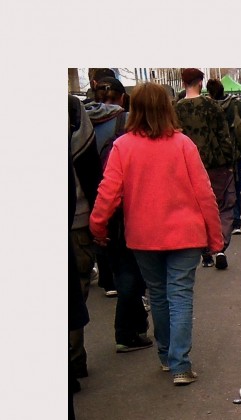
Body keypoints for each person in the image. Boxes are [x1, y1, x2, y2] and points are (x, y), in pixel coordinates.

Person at [89, 82, 224, 387]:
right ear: (168, 108)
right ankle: (180, 364)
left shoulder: (123, 146)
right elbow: (205, 194)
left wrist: (98, 225)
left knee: (158, 295)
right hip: (186, 235)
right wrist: (215, 237)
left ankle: (166, 356)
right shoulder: (183, 144)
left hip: (143, 236)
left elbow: (108, 192)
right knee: (180, 296)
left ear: (134, 109)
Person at [86, 78, 152, 354]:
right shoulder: (124, 126)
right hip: (123, 209)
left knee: (120, 266)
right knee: (130, 273)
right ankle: (127, 332)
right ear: (123, 98)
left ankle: (134, 327)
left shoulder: (80, 120)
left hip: (87, 204)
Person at [174, 68, 235, 270]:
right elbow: (223, 134)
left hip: (187, 166)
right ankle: (218, 247)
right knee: (220, 205)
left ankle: (205, 252)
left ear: (183, 83)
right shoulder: (210, 105)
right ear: (200, 82)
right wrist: (229, 161)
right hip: (214, 162)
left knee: (196, 209)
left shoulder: (177, 109)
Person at [84, 76, 129, 298]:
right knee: (116, 235)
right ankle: (115, 278)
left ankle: (103, 275)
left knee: (93, 231)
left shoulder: (78, 119)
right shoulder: (125, 120)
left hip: (83, 189)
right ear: (122, 97)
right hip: (114, 187)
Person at [70, 95, 102, 382]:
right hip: (78, 218)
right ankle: (74, 357)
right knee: (75, 290)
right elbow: (91, 171)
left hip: (78, 216)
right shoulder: (74, 112)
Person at [206, 78, 241, 238]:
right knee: (236, 185)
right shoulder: (236, 105)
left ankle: (221, 221)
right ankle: (235, 219)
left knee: (217, 188)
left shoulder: (207, 107)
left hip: (214, 155)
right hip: (234, 153)